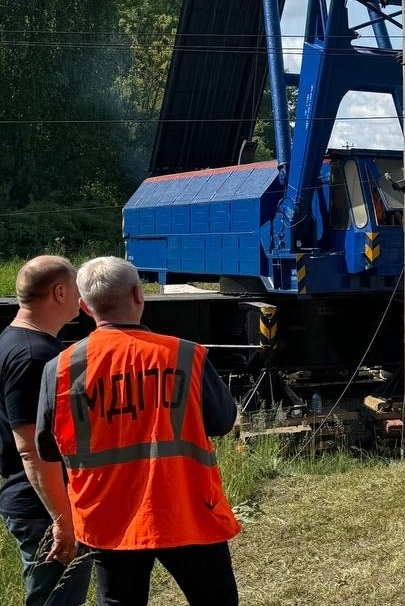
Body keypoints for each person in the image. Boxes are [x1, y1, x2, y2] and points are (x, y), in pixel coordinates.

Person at [36, 257, 241, 606]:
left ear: (84, 306)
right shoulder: (186, 355)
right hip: (185, 507)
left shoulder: (61, 369)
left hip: (107, 515)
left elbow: (47, 448)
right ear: (137, 294)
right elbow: (222, 422)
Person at [0, 256, 91, 606]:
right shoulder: (33, 357)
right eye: (76, 288)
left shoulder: (13, 341)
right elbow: (31, 449)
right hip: (43, 506)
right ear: (59, 291)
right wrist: (62, 520)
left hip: (36, 500)